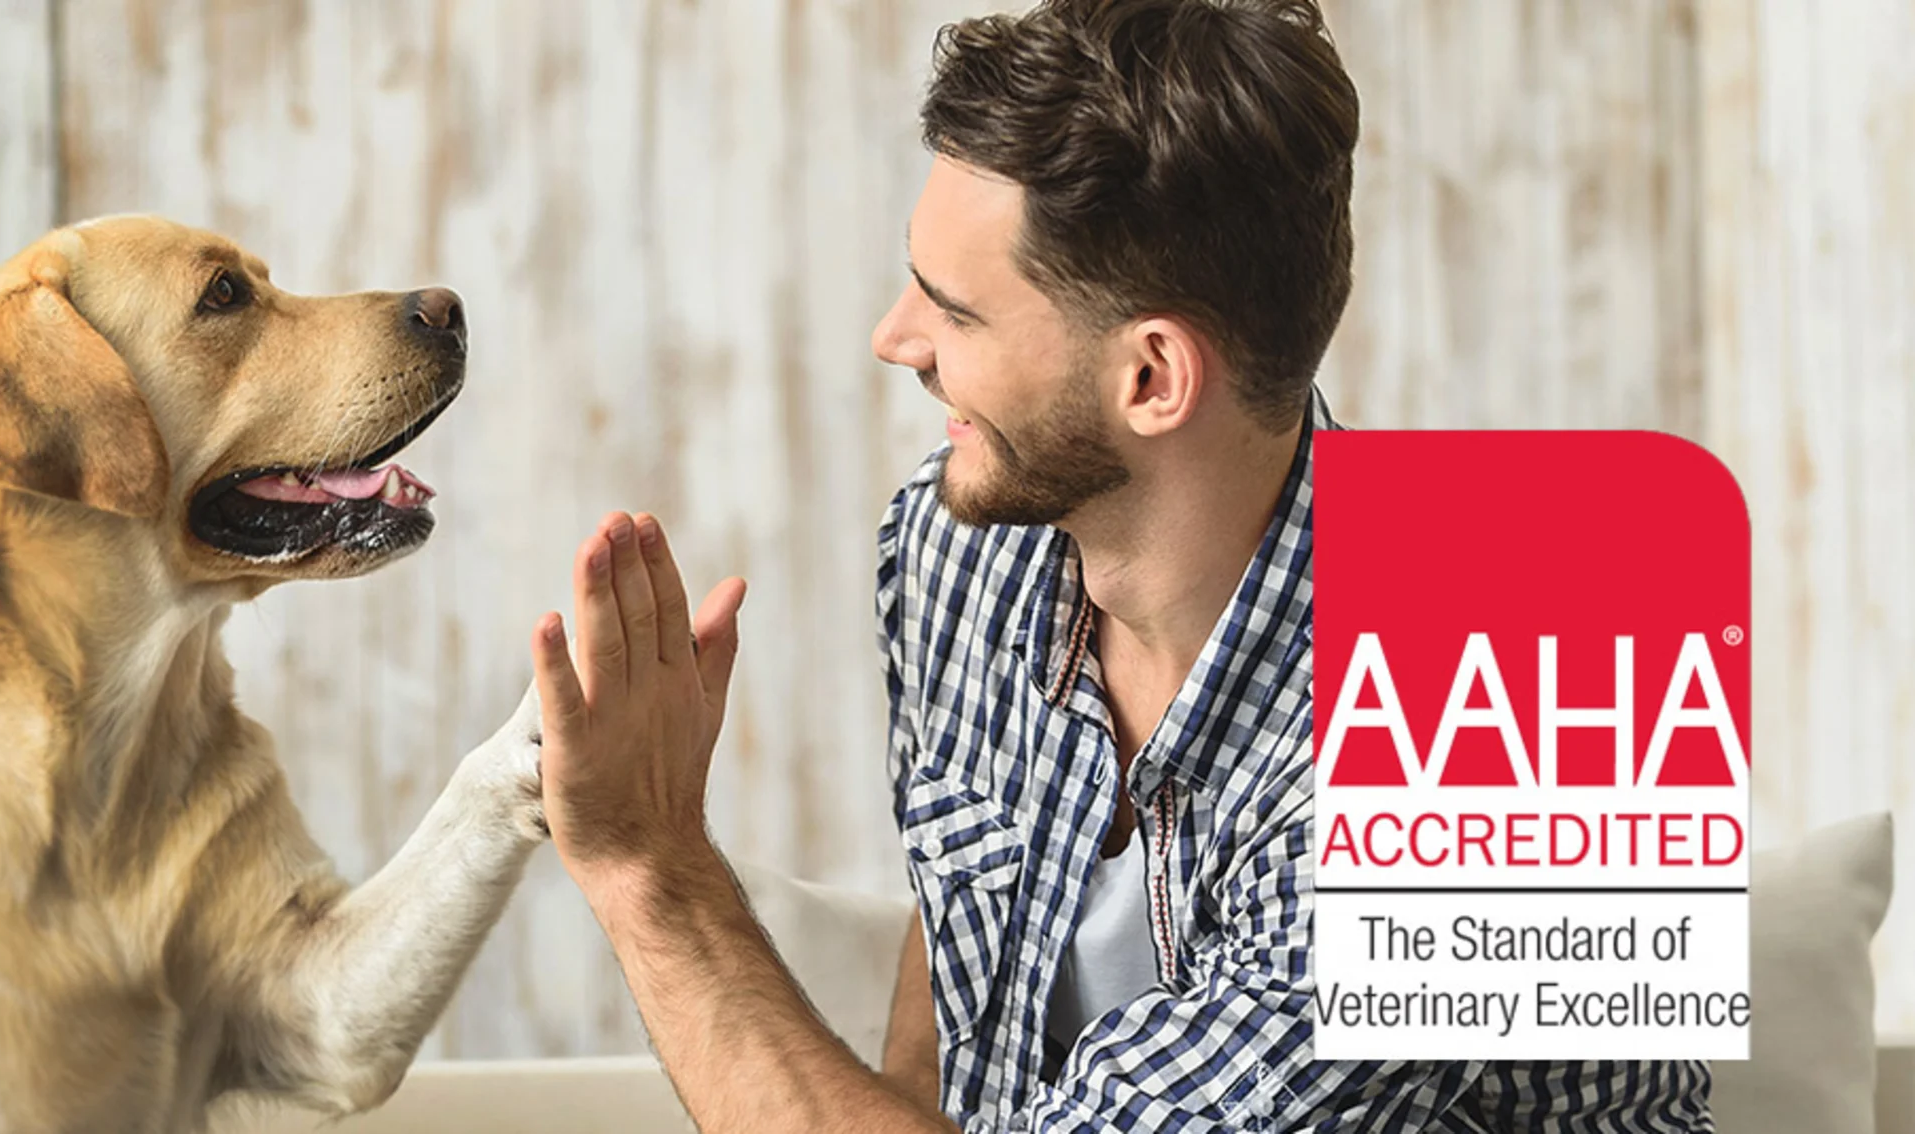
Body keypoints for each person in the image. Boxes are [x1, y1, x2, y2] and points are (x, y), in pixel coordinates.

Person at [523, 0, 1715, 1129]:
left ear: (1150, 377)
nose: (896, 340)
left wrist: (649, 867)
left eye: (957, 311)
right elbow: (951, 998)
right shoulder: (958, 557)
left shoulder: (1515, 727)